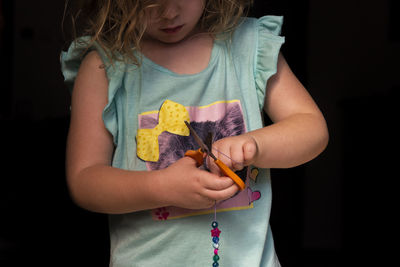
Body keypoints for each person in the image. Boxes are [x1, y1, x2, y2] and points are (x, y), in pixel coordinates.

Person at [61, 0, 328, 266]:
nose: (169, 13)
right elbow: (84, 180)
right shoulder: (104, 66)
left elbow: (311, 128)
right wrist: (161, 187)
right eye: (147, 2)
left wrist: (255, 144)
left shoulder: (249, 46)